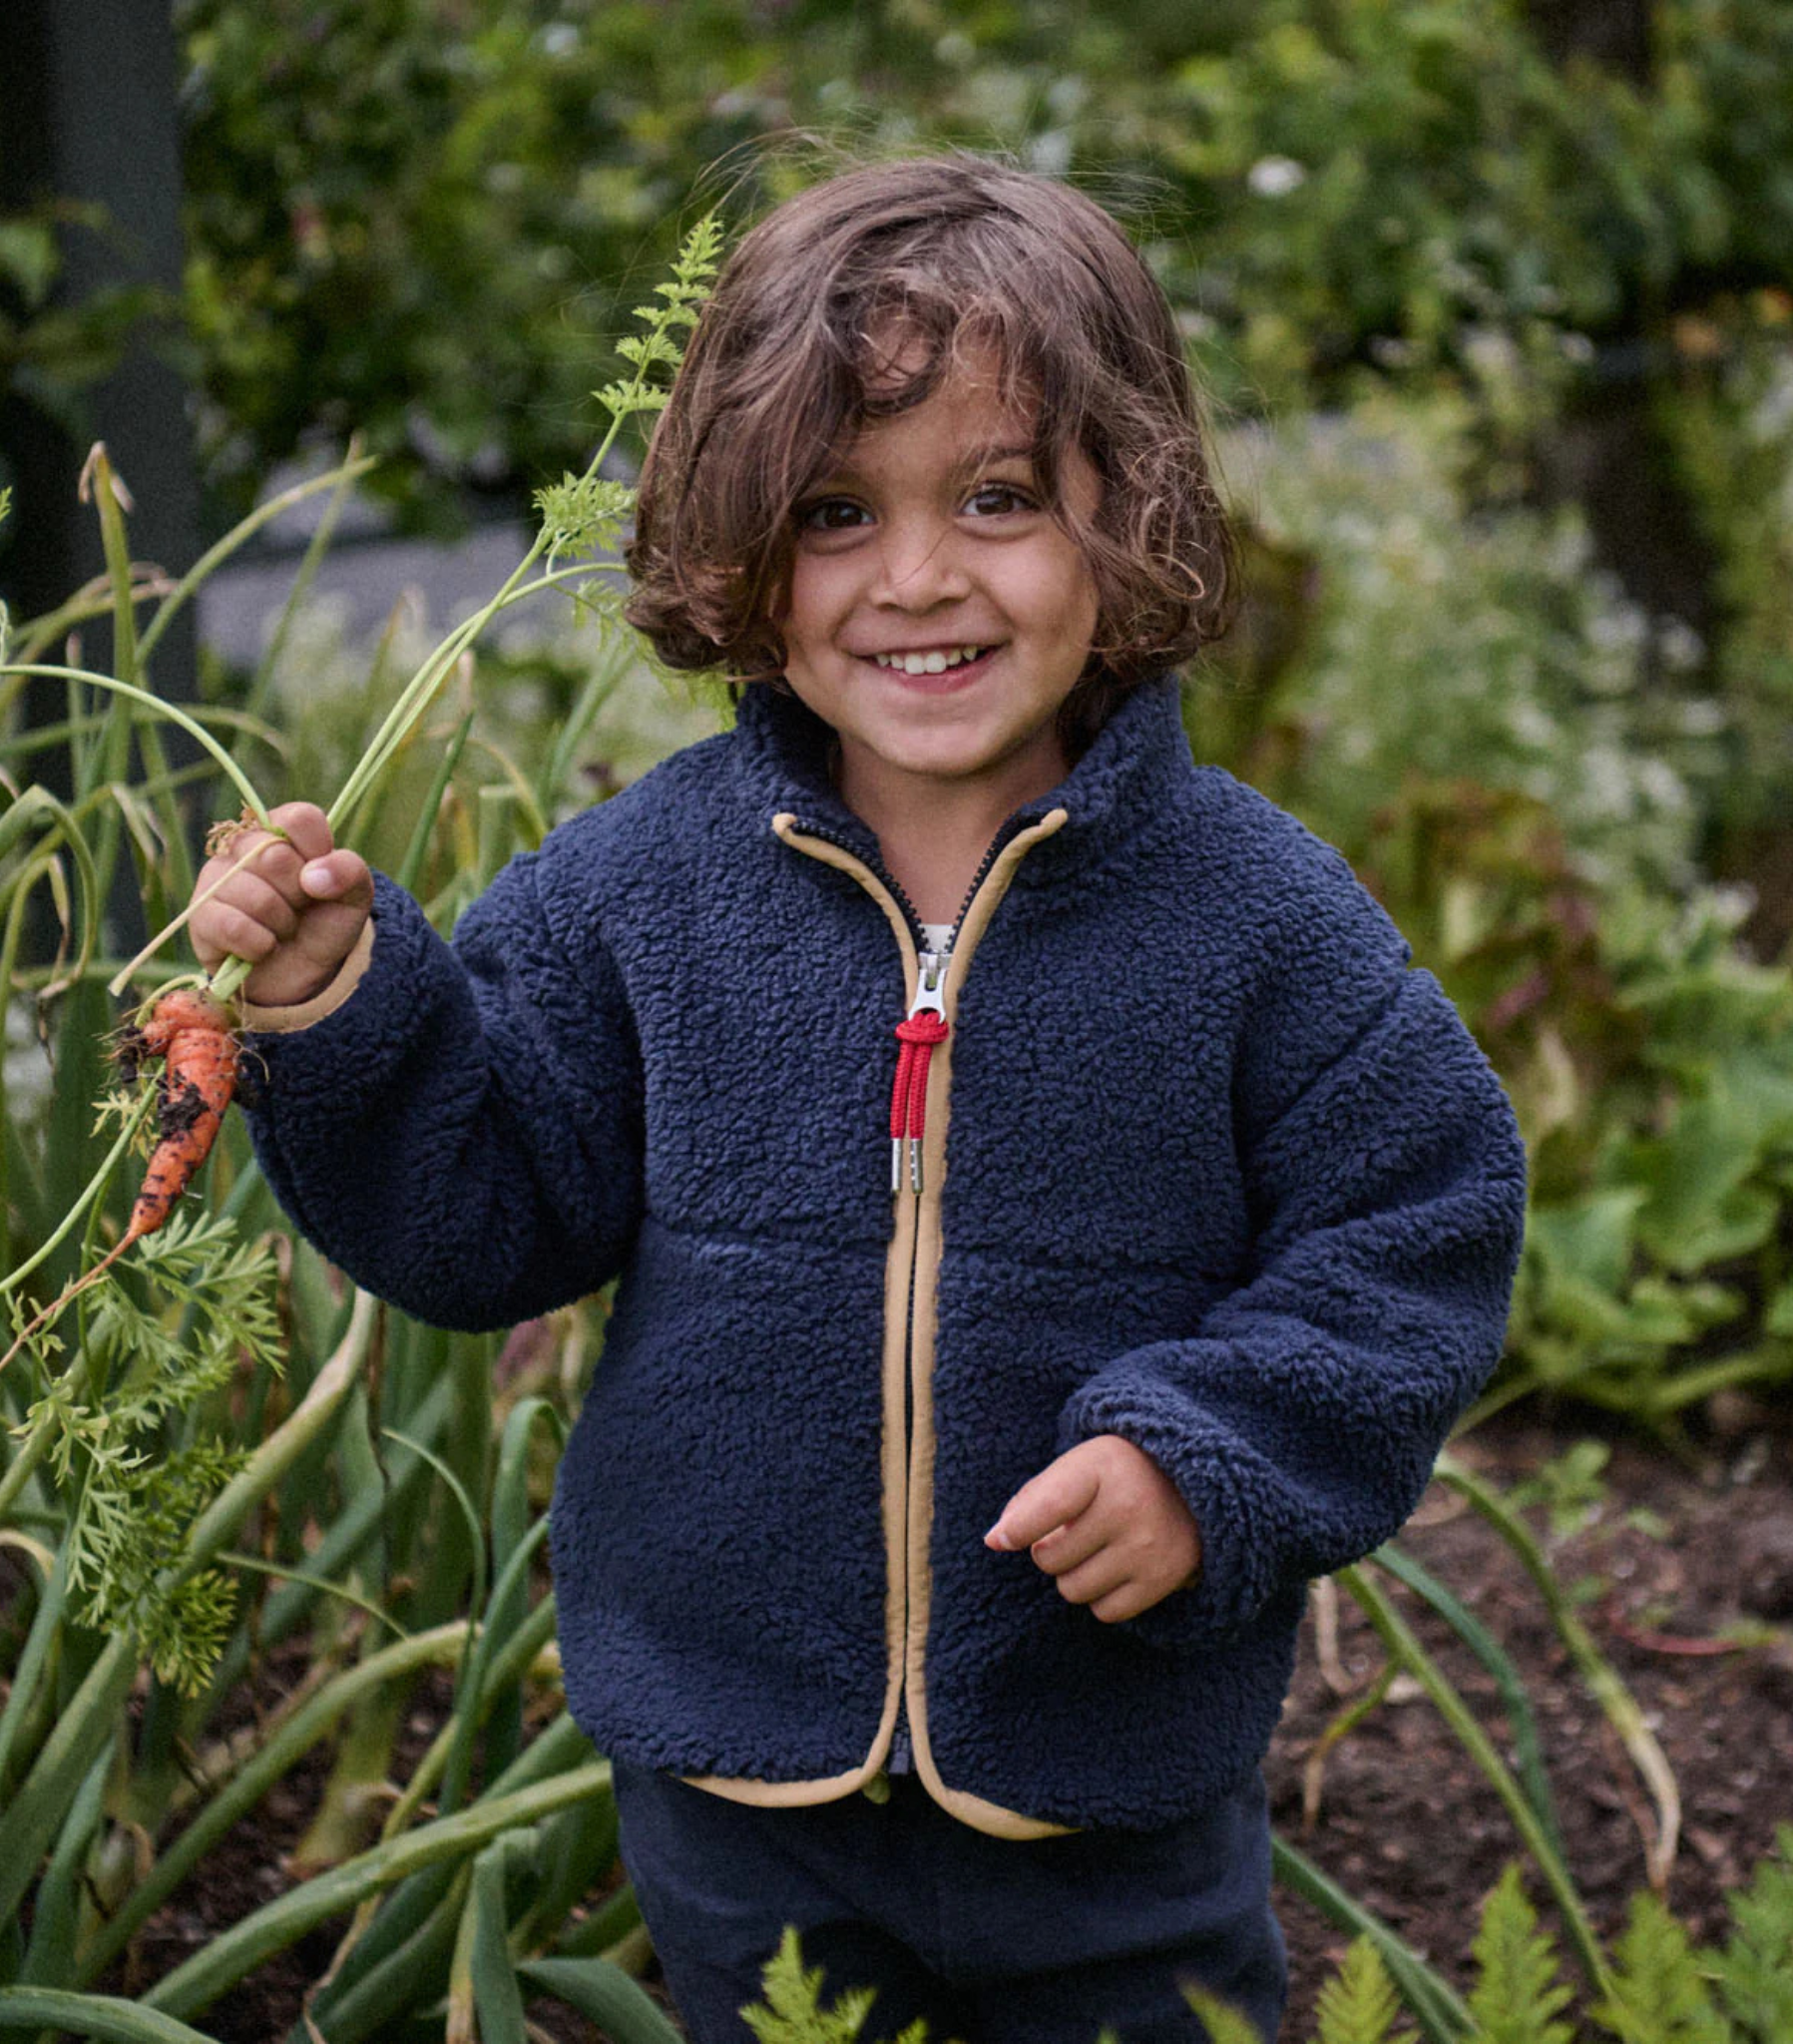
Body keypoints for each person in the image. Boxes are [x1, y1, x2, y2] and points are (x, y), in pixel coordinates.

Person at [190, 155, 1527, 2044]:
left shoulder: (1253, 917)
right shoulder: (640, 891)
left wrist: (1205, 1454)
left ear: (1131, 509)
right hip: (741, 1781)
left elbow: (1420, 1223)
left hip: (1108, 1782)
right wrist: (339, 1006)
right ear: (741, 545)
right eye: (836, 512)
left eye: (998, 497)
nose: (916, 578)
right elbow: (486, 1213)